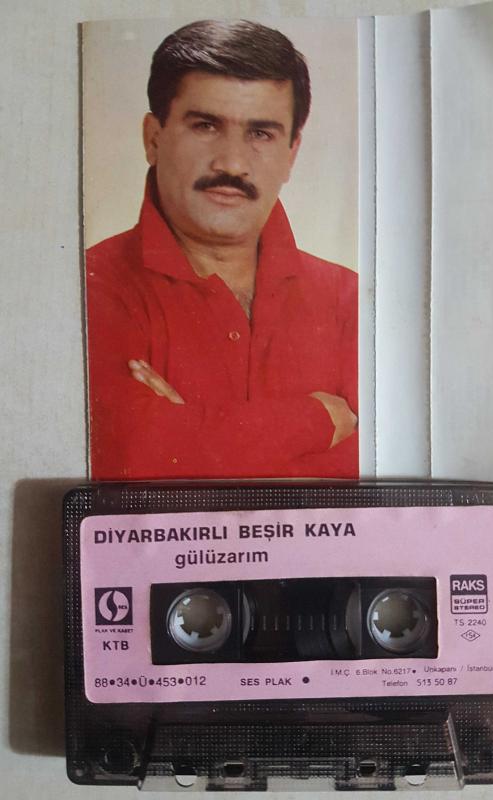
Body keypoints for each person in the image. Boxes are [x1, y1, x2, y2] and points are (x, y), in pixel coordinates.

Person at [86, 19, 358, 480]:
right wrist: (315, 421)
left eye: (261, 133)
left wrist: (186, 439)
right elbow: (119, 455)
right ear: (154, 139)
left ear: (291, 154)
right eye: (206, 125)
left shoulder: (352, 300)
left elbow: (388, 470)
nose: (232, 163)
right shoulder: (92, 289)